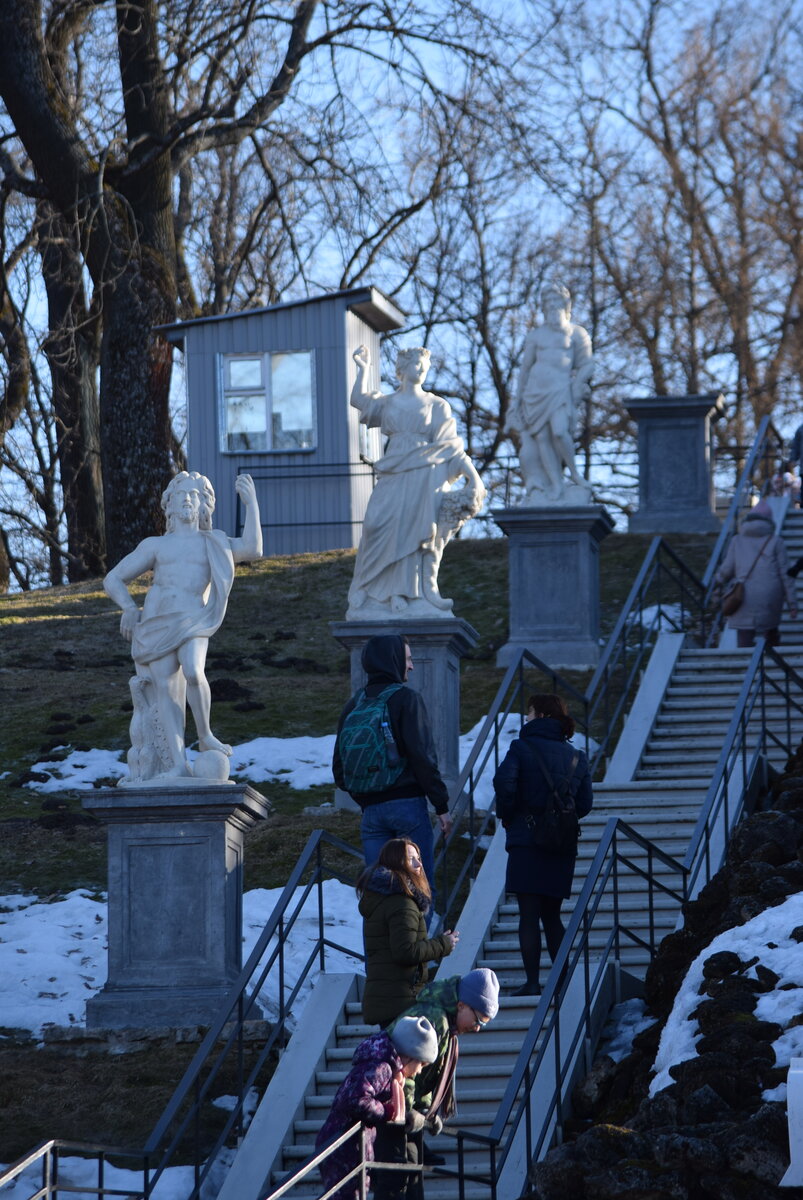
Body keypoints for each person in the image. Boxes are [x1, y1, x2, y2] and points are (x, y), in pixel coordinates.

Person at [103, 471, 262, 782]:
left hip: (194, 619)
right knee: (165, 693)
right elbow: (113, 578)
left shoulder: (212, 542)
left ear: (204, 505)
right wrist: (128, 609)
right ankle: (177, 764)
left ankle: (205, 735)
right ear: (170, 506)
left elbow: (252, 548)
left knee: (193, 670)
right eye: (181, 495)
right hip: (155, 624)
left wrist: (251, 504)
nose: (188, 499)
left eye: (195, 495)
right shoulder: (156, 546)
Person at [347, 344, 485, 619]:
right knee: (376, 524)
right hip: (395, 468)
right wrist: (363, 369)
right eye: (416, 364)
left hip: (425, 474)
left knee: (413, 531)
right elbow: (359, 400)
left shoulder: (436, 405)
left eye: (425, 365)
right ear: (401, 369)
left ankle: (405, 593)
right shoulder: (388, 402)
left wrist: (473, 475)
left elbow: (452, 448)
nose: (421, 369)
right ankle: (368, 588)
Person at [334, 634, 452, 922]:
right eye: (408, 659)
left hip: (371, 815)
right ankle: (417, 962)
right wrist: (442, 806)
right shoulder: (406, 699)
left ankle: (382, 965)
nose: (411, 666)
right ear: (394, 661)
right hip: (407, 809)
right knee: (420, 891)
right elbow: (423, 758)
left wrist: (367, 796)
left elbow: (339, 770)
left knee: (378, 893)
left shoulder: (354, 705)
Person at [493, 694, 593, 996]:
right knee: (552, 914)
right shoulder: (577, 757)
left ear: (540, 715)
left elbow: (504, 783)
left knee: (528, 912)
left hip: (526, 837)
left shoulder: (521, 748)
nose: (526, 718)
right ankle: (561, 982)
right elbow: (585, 803)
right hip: (561, 843)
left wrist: (509, 815)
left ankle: (533, 982)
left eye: (530, 712)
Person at [385, 968, 500, 1188]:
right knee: (399, 1180)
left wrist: (427, 1112)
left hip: (403, 1111)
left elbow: (426, 1074)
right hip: (394, 1109)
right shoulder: (434, 1018)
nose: (477, 1029)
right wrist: (409, 1110)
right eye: (478, 1021)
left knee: (410, 1177)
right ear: (461, 1005)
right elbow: (407, 1066)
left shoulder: (446, 1023)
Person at [315, 1015, 438, 1200]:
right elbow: (355, 1099)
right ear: (407, 1055)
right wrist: (387, 1111)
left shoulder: (387, 1068)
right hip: (346, 1147)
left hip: (355, 1145)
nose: (420, 1070)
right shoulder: (382, 1068)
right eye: (421, 1063)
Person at [506, 282, 593, 505]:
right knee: (542, 438)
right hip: (534, 393)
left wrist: (578, 385)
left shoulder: (577, 333)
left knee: (560, 432)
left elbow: (587, 364)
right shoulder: (536, 336)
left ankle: (573, 474)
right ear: (543, 307)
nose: (552, 306)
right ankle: (555, 484)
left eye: (556, 301)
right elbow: (525, 369)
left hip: (561, 390)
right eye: (548, 302)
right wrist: (516, 401)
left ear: (566, 305)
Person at [358, 838, 459, 1027]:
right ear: (396, 862)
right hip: (401, 1001)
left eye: (418, 857)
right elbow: (405, 951)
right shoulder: (401, 903)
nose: (419, 864)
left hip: (388, 997)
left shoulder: (381, 898)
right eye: (411, 859)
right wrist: (443, 944)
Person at [714, 498, 797, 647]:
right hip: (771, 592)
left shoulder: (737, 540)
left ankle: (747, 663)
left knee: (744, 633)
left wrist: (718, 580)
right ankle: (772, 660)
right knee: (770, 629)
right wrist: (792, 603)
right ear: (769, 521)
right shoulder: (776, 541)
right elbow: (786, 574)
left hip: (742, 592)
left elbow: (727, 569)